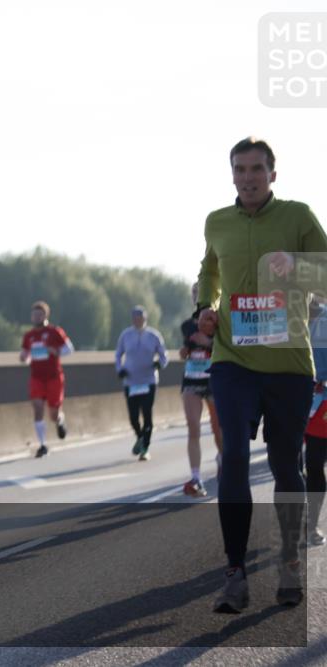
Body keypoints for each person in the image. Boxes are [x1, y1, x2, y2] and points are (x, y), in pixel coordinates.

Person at [198, 137, 327, 613]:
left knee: (284, 464)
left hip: (288, 362)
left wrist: (296, 265)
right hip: (232, 359)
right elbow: (209, 274)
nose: (248, 177)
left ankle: (290, 561)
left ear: (273, 174)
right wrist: (205, 310)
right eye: (240, 169)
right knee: (232, 455)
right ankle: (235, 573)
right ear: (232, 174)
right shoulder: (217, 222)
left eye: (256, 169)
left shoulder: (298, 217)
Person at [179, 283, 223, 496]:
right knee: (193, 427)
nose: (197, 296)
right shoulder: (187, 325)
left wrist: (208, 341)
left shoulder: (219, 321)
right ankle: (196, 478)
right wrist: (184, 351)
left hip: (214, 379)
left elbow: (227, 348)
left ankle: (222, 459)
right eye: (194, 293)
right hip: (191, 379)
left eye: (201, 292)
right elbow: (187, 349)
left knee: (218, 429)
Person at [19, 300, 74, 458]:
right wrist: (24, 357)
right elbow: (26, 355)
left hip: (54, 376)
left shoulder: (54, 332)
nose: (36, 317)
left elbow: (69, 349)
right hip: (37, 377)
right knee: (37, 408)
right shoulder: (29, 336)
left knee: (53, 413)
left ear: (45, 315)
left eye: (39, 314)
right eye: (34, 314)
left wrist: (54, 350)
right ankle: (43, 445)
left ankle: (60, 421)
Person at [114, 305, 168, 461]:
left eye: (141, 317)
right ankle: (140, 437)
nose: (138, 320)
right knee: (133, 416)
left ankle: (145, 448)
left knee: (147, 414)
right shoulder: (125, 335)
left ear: (145, 319)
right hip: (131, 381)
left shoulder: (154, 335)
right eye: (135, 318)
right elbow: (118, 354)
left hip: (148, 380)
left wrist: (160, 363)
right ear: (132, 319)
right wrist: (120, 369)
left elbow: (164, 354)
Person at [305, 299, 327, 547]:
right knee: (307, 465)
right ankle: (309, 524)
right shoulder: (284, 316)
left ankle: (311, 525)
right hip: (297, 401)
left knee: (315, 464)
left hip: (322, 402)